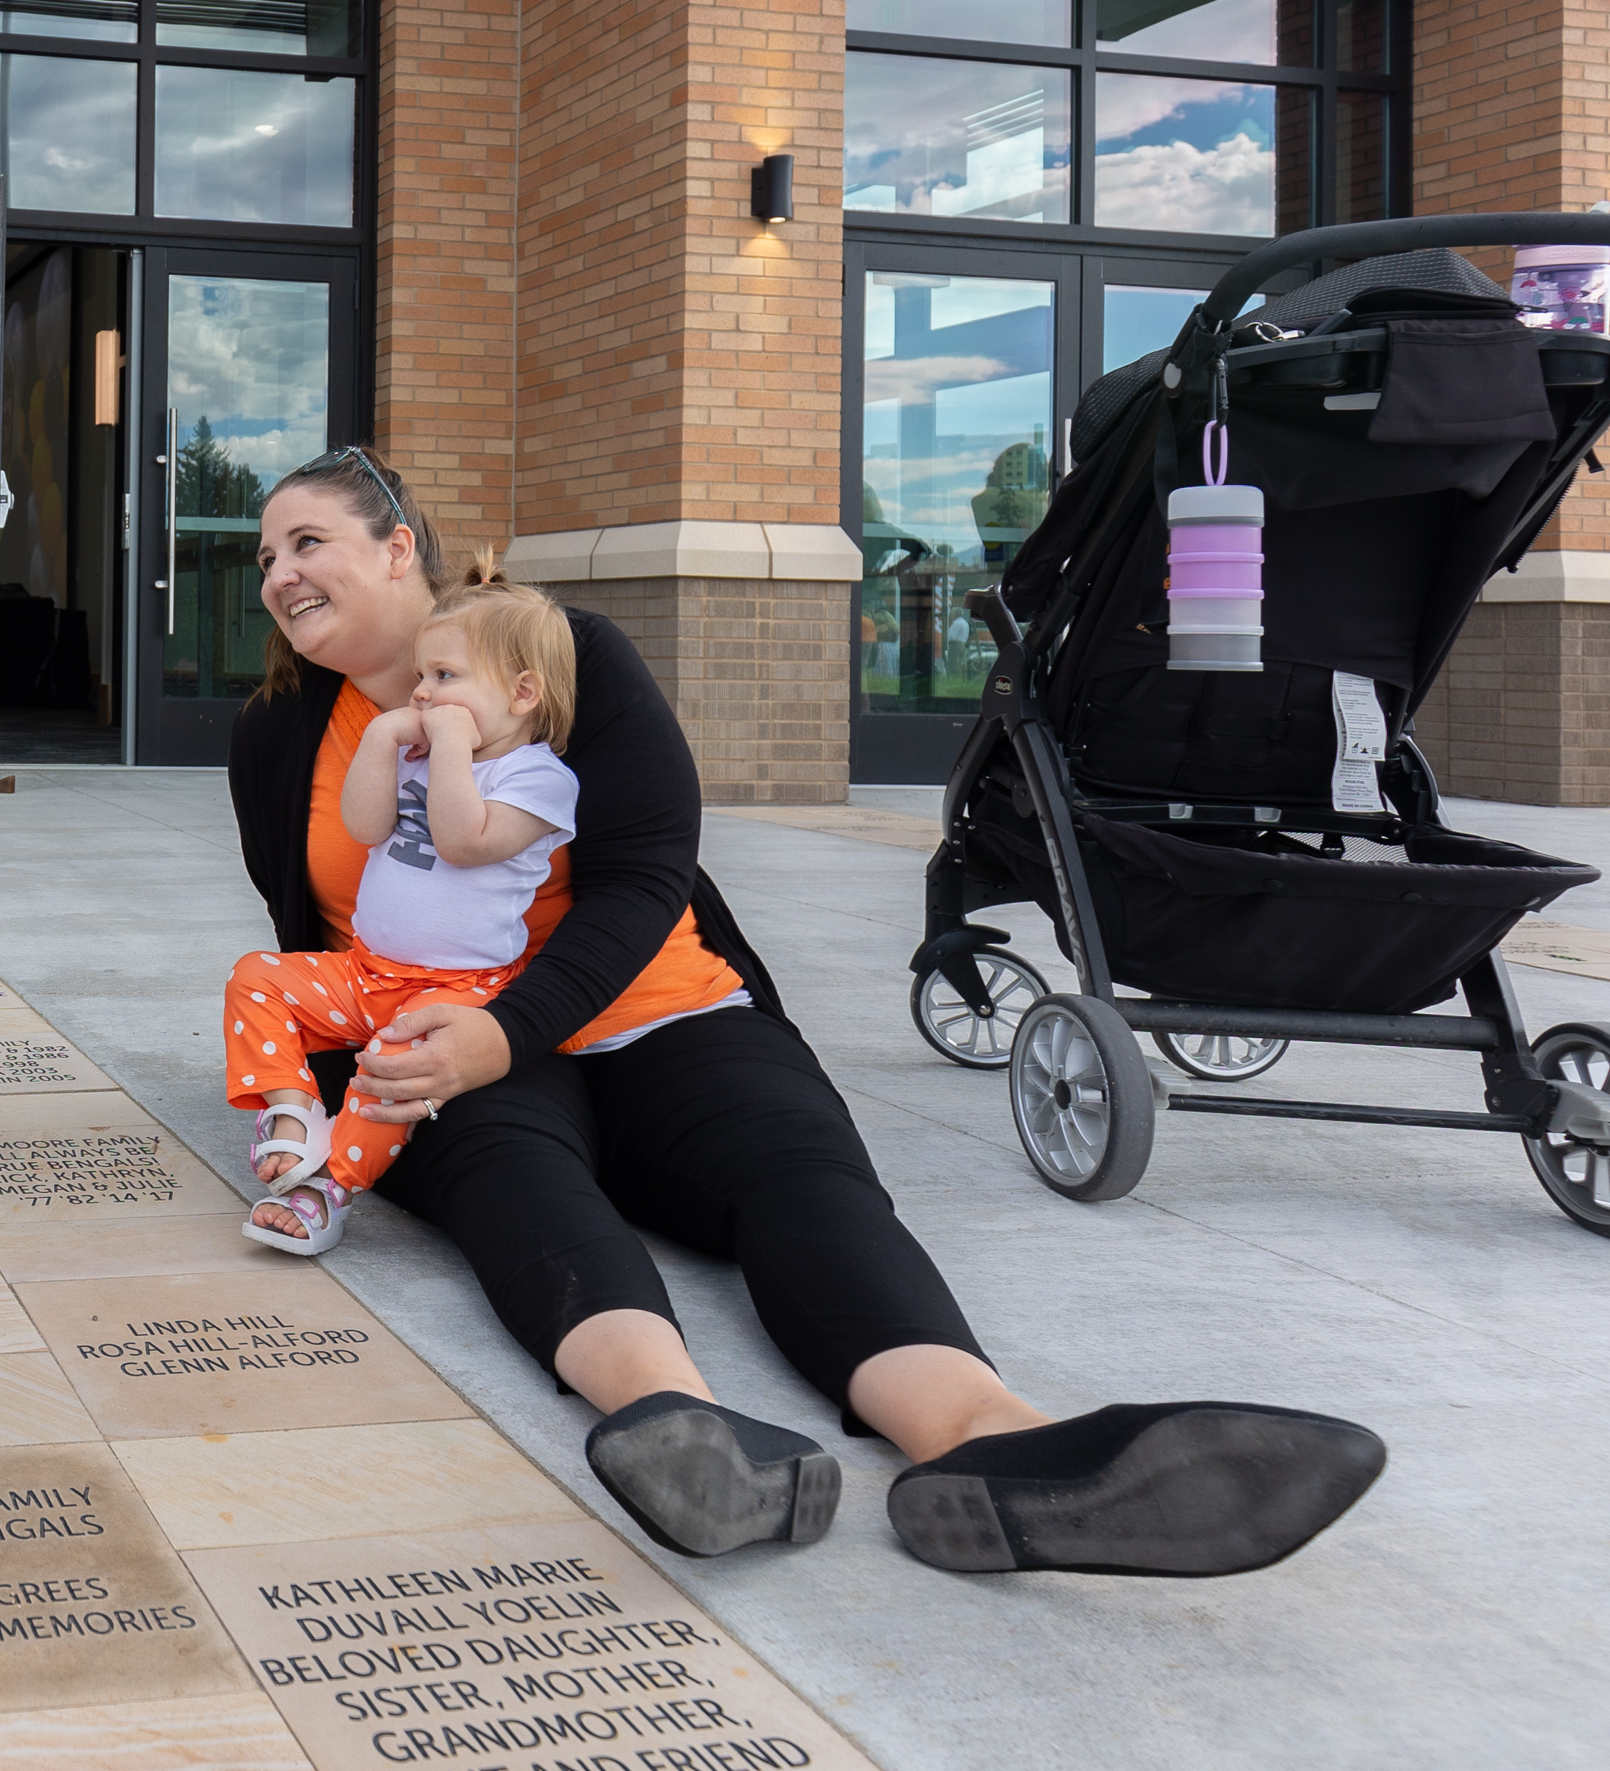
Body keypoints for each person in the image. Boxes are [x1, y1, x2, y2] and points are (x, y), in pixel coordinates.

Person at [228, 445, 1387, 1576]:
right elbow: (311, 928)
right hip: (442, 1038)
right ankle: (680, 1428)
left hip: (656, 1006)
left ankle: (989, 1440)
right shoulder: (280, 735)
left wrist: (514, 1024)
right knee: (519, 1185)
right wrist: (381, 1065)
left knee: (799, 1173)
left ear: (398, 548)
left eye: (308, 541)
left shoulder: (560, 654)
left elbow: (645, 872)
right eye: (266, 552)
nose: (278, 572)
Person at [227, 570, 578, 1256]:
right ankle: (294, 1115)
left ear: (523, 692)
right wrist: (383, 744)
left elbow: (464, 838)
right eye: (422, 674)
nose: (421, 692)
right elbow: (363, 825)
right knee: (256, 978)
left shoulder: (538, 778)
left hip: (454, 996)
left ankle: (329, 1188)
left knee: (391, 1075)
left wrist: (445, 745)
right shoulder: (418, 754)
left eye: (444, 675)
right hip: (366, 973)